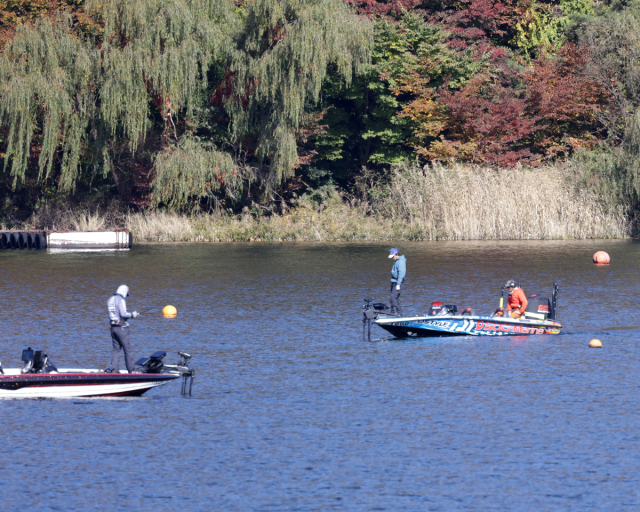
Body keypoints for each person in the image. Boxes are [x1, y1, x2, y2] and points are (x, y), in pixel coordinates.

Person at [104, 285, 139, 373]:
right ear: (124, 292)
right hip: (122, 329)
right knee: (128, 350)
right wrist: (132, 315)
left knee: (116, 350)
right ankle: (132, 371)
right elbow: (123, 314)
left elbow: (115, 314)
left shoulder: (110, 299)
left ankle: (114, 370)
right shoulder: (121, 300)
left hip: (113, 328)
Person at [388, 248, 406, 316]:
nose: (392, 257)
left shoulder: (401, 261)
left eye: (393, 256)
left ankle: (399, 313)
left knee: (393, 298)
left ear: (397, 254)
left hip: (398, 282)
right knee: (395, 298)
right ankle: (393, 313)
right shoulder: (396, 261)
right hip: (394, 281)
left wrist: (398, 284)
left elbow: (401, 273)